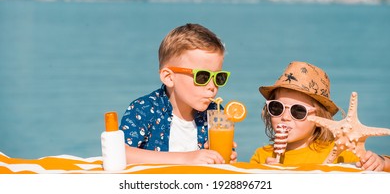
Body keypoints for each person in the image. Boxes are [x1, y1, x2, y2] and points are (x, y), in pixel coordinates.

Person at [119, 23, 237, 164]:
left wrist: (222, 158)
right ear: (169, 77)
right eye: (202, 77)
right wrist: (185, 158)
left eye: (219, 77)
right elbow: (119, 152)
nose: (212, 87)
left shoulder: (213, 113)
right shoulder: (144, 109)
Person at [250, 61, 390, 172]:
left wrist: (381, 163)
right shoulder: (262, 156)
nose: (285, 117)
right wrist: (264, 173)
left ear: (319, 119)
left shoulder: (340, 152)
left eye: (298, 111)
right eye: (277, 107)